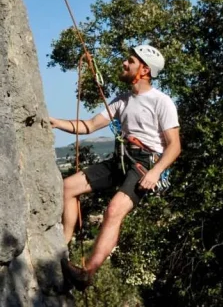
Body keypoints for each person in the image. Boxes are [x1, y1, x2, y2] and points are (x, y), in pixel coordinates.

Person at [50, 44, 181, 289]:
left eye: (130, 61)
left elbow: (174, 146)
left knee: (113, 211)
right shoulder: (122, 101)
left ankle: (87, 273)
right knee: (68, 187)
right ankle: (62, 251)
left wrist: (155, 172)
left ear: (144, 69)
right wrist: (56, 122)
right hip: (121, 159)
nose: (124, 63)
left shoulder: (162, 102)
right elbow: (88, 126)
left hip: (145, 164)